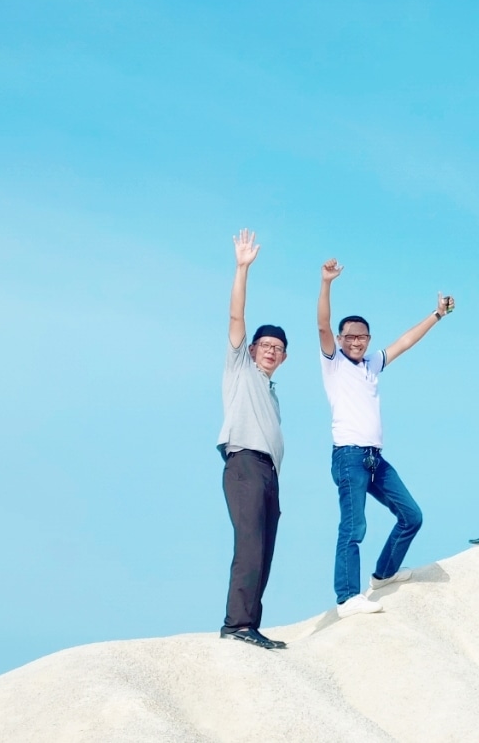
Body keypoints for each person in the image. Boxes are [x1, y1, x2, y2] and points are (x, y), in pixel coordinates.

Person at [316, 258, 453, 617]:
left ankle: (384, 574)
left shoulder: (372, 364)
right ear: (341, 340)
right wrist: (327, 283)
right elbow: (322, 324)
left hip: (375, 459)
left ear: (368, 340)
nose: (356, 342)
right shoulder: (334, 362)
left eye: (362, 337)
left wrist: (436, 315)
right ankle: (347, 597)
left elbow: (405, 342)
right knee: (354, 524)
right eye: (350, 337)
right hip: (348, 456)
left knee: (411, 515)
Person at [213, 228, 289, 649]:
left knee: (265, 550)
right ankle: (237, 623)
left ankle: (250, 623)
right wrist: (242, 269)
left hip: (268, 473)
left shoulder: (271, 391)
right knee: (249, 545)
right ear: (252, 349)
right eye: (265, 345)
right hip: (244, 464)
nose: (271, 351)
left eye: (278, 347)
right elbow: (236, 319)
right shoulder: (240, 371)